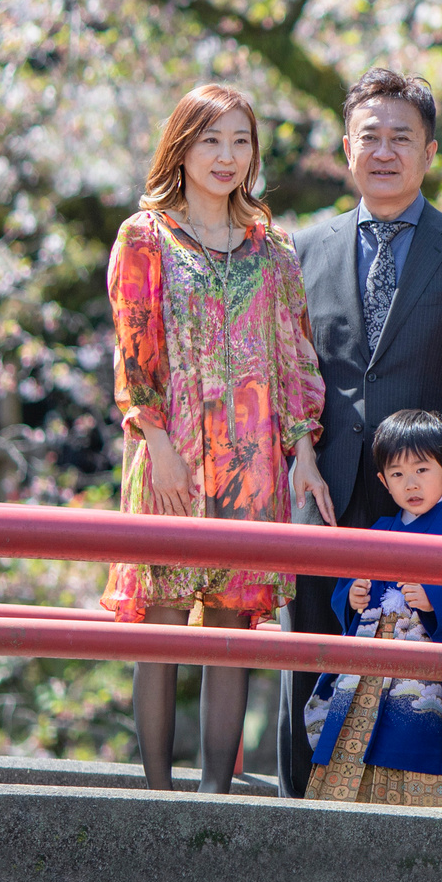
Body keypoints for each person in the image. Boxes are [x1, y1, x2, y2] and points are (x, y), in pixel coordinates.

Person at [279, 68, 442, 798]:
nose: (384, 152)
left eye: (401, 138)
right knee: (314, 646)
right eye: (370, 137)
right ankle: (298, 805)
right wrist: (300, 457)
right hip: (324, 486)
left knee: (418, 659)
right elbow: (290, 369)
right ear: (346, 147)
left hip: (423, 496)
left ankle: (406, 820)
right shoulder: (302, 247)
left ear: (430, 151)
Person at [105, 82, 330, 794]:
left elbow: (295, 359)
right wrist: (157, 441)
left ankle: (215, 795)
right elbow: (134, 348)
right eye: (211, 140)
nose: (227, 156)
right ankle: (155, 791)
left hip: (254, 463)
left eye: (241, 141)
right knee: (164, 618)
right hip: (171, 452)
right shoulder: (145, 236)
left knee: (232, 624)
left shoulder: (274, 250)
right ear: (182, 145)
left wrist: (306, 454)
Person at [303, 409, 442, 806]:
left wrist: (437, 600)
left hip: (421, 676)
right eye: (397, 474)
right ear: (383, 482)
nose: (410, 484)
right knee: (348, 748)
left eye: (421, 470)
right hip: (369, 668)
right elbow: (346, 590)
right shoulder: (380, 531)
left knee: (413, 746)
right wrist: (352, 597)